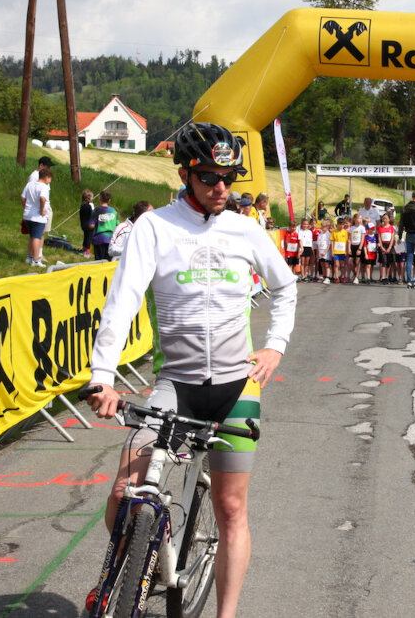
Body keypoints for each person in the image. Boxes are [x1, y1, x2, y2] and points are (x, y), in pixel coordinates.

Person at [84, 122, 296, 618]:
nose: (221, 187)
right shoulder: (154, 227)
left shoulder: (245, 228)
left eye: (229, 177)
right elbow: (123, 301)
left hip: (236, 387)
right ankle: (127, 570)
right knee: (125, 490)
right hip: (175, 384)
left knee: (231, 509)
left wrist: (275, 347)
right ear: (184, 174)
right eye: (209, 177)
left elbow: (285, 287)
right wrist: (103, 376)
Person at [20, 167, 52, 267]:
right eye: (50, 179)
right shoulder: (44, 187)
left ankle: (29, 257)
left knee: (32, 236)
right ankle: (36, 260)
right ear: (46, 177)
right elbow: (42, 198)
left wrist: (25, 207)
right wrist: (42, 210)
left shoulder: (29, 184)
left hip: (28, 215)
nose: (50, 181)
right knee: (37, 238)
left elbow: (22, 198)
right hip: (38, 217)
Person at [28, 155, 55, 232]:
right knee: (38, 232)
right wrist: (41, 209)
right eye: (48, 167)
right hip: (39, 208)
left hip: (46, 206)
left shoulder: (45, 176)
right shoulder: (34, 177)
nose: (49, 169)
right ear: (41, 165)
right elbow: (32, 193)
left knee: (43, 232)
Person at [90, 190, 118, 262]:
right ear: (109, 200)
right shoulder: (114, 211)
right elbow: (118, 225)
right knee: (108, 262)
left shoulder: (96, 210)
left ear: (99, 198)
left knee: (99, 262)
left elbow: (91, 225)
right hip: (111, 239)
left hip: (99, 239)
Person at [79, 189, 95, 258]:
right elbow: (92, 214)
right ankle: (87, 252)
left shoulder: (82, 205)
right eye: (92, 197)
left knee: (86, 237)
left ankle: (84, 248)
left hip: (83, 224)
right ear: (88, 198)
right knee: (89, 238)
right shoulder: (89, 206)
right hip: (89, 225)